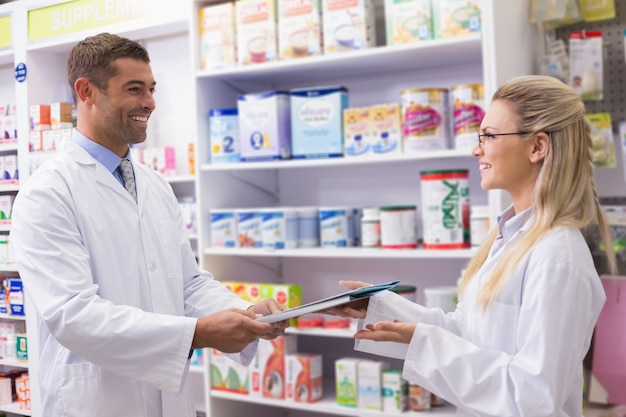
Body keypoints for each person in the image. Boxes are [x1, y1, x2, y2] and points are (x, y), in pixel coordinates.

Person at [9, 32, 288, 417]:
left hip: (167, 400)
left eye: (152, 89)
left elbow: (187, 282)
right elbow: (73, 315)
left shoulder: (154, 184)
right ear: (87, 91)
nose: (150, 103)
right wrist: (199, 333)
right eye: (135, 89)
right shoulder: (48, 193)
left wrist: (246, 313)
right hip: (97, 401)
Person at [326, 75, 617, 417]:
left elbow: (535, 396)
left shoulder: (556, 258)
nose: (476, 149)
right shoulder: (509, 238)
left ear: (538, 147)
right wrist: (379, 308)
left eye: (489, 136)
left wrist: (425, 342)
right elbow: (470, 331)